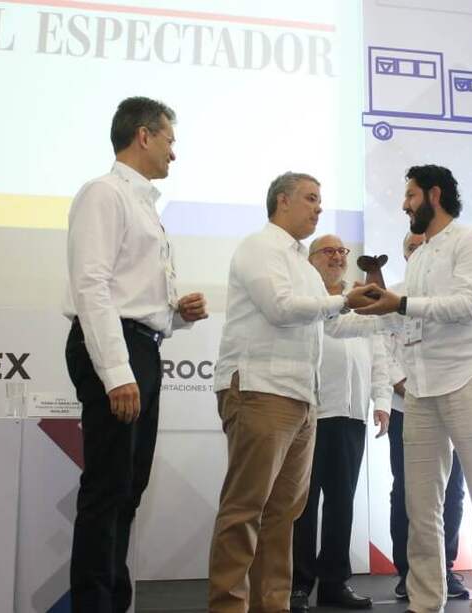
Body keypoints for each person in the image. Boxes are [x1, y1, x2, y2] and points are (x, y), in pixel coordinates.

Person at [209, 172, 383, 613]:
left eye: (320, 200)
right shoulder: (259, 247)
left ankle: (274, 604)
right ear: (282, 201)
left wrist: (390, 311)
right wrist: (343, 301)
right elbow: (281, 309)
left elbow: (332, 324)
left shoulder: (301, 264)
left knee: (283, 514)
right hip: (260, 390)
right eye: (311, 198)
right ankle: (228, 606)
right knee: (246, 509)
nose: (318, 207)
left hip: (302, 400)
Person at [64, 96, 208, 613]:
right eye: (170, 140)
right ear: (143, 136)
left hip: (140, 348)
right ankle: (94, 604)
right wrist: (116, 372)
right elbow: (92, 285)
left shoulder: (145, 205)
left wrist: (175, 313)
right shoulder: (104, 193)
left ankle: (114, 600)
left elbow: (132, 295)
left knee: (129, 488)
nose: (175, 153)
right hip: (115, 351)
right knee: (107, 488)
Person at [357, 165, 472, 613]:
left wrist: (399, 303)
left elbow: (467, 306)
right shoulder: (421, 254)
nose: (404, 204)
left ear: (434, 194)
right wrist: (344, 306)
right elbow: (399, 317)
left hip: (469, 377)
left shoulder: (470, 241)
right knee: (419, 504)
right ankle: (425, 602)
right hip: (421, 391)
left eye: (409, 195)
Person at [290, 235, 392, 613]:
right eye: (327, 251)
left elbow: (378, 353)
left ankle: (334, 583)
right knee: (302, 505)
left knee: (341, 504)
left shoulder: (363, 298)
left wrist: (381, 401)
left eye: (341, 252)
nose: (336, 257)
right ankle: (298, 585)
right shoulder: (306, 299)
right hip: (311, 414)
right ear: (311, 259)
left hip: (351, 416)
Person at [384, 232, 468, 602]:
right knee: (408, 492)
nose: (417, 253)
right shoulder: (392, 295)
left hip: (454, 404)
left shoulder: (453, 294)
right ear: (405, 254)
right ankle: (409, 572)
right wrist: (403, 384)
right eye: (411, 248)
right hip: (409, 406)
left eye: (423, 247)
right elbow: (380, 346)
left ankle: (443, 570)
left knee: (453, 492)